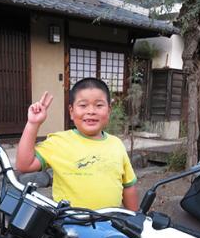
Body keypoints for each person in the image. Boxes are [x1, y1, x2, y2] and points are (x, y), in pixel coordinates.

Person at [16, 77, 139, 211]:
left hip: (109, 225)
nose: (91, 111)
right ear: (71, 112)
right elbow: (24, 165)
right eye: (83, 105)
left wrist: (135, 219)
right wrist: (33, 124)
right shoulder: (59, 142)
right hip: (70, 225)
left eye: (99, 105)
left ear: (109, 110)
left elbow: (128, 186)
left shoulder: (116, 144)